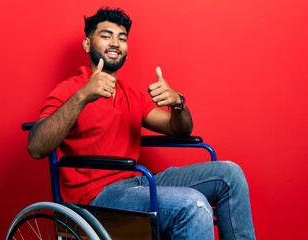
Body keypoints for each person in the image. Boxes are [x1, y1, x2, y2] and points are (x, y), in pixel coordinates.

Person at [28, 7, 256, 239]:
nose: (115, 43)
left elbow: (181, 129)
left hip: (136, 183)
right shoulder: (69, 89)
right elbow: (36, 147)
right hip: (97, 198)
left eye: (122, 38)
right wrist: (83, 96)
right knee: (192, 204)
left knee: (230, 175)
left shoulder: (130, 95)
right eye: (106, 36)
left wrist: (178, 103)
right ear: (87, 44)